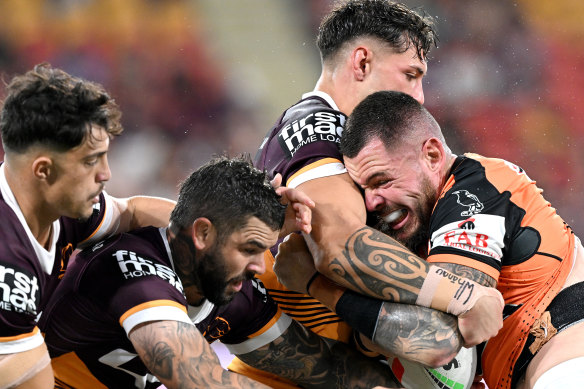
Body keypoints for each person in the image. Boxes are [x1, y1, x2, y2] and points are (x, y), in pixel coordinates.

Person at [244, 1, 503, 387]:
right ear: (362, 63)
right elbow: (339, 245)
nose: (419, 96)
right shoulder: (316, 129)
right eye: (410, 75)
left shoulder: (351, 136)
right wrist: (461, 295)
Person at [40, 155, 402, 389]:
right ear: (202, 233)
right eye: (248, 248)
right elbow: (202, 382)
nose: (261, 266)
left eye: (264, 248)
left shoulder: (228, 287)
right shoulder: (132, 270)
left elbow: (323, 365)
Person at [338, 90, 584, 389]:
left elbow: (436, 335)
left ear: (432, 155)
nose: (371, 202)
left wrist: (319, 286)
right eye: (363, 189)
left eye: (382, 181)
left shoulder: (478, 189)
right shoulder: (423, 230)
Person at [0, 63, 176, 388]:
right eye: (91, 160)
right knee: (30, 357)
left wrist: (225, 229)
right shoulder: (8, 262)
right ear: (43, 171)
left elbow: (132, 212)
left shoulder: (60, 207)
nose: (106, 174)